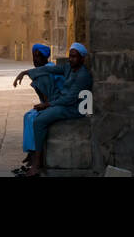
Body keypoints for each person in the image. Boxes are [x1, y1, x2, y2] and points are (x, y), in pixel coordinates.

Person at [19, 43, 93, 178]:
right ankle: (35, 157)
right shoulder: (69, 68)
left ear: (82, 58)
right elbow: (50, 70)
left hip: (73, 108)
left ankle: (37, 163)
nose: (71, 59)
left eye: (74, 57)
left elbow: (70, 99)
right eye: (70, 56)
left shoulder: (82, 75)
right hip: (63, 104)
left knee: (39, 121)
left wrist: (48, 105)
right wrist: (27, 72)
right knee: (35, 116)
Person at [10, 43, 58, 175]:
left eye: (38, 56)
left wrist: (46, 105)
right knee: (28, 116)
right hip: (48, 103)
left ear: (44, 57)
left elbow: (50, 95)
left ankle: (36, 158)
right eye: (34, 56)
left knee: (34, 119)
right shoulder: (42, 70)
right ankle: (30, 152)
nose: (35, 59)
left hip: (54, 103)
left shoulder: (47, 71)